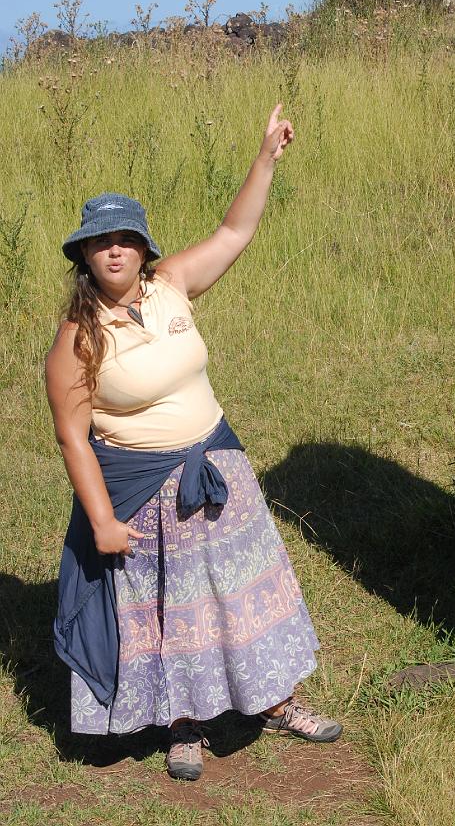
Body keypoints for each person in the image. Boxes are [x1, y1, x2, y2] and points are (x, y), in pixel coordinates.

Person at [45, 104, 342, 783]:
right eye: (101, 241)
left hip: (215, 465)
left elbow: (235, 230)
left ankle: (274, 700)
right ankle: (184, 727)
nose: (115, 249)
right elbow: (72, 438)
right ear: (84, 255)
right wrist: (100, 521)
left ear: (144, 246)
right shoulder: (76, 339)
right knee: (172, 611)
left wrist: (265, 156)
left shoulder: (172, 284)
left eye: (126, 237)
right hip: (144, 492)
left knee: (241, 591)